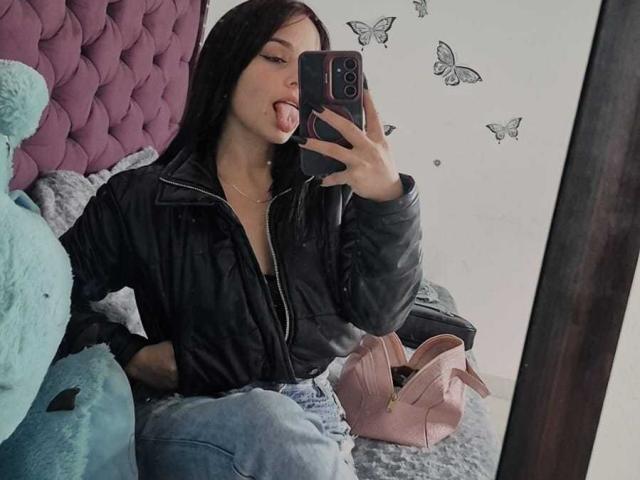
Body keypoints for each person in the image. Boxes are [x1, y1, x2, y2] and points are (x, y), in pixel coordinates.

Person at [55, 0, 423, 478]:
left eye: (308, 68)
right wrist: (132, 354)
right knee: (267, 424)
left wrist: (388, 200)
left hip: (312, 413)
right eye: (276, 57)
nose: (297, 82)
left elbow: (381, 316)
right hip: (192, 408)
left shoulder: (332, 190)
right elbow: (46, 298)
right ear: (228, 64)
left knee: (284, 433)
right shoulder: (142, 198)